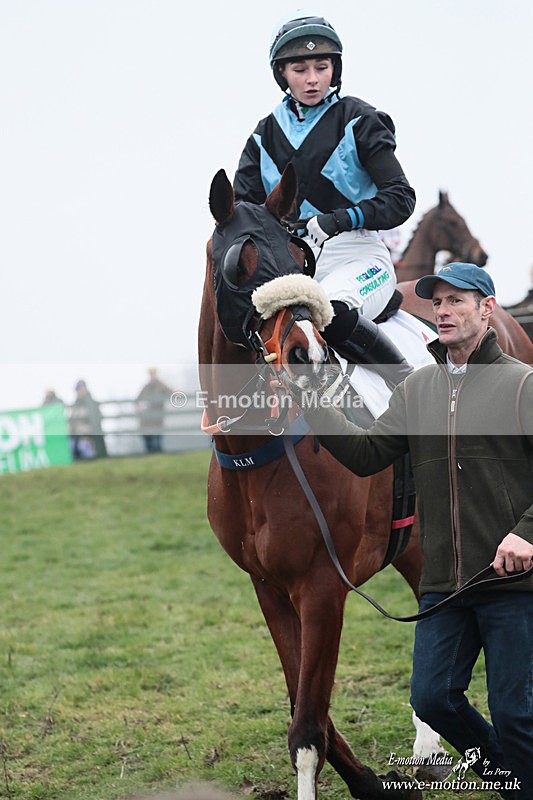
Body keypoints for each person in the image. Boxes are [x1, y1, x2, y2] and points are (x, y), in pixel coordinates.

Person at [290, 262, 533, 797]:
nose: (443, 311)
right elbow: (366, 453)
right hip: (444, 587)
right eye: (437, 302)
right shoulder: (418, 388)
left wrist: (528, 533)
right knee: (432, 699)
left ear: (487, 309)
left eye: (456, 301)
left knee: (516, 713)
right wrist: (311, 399)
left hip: (511, 583)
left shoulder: (522, 384)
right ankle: (515, 779)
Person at [233, 11, 416, 387]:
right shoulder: (263, 136)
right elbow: (241, 214)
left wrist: (338, 220)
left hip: (359, 255)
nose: (313, 79)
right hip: (292, 266)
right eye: (300, 69)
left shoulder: (360, 120)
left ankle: (411, 391)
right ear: (282, 73)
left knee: (329, 309)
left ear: (336, 69)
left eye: (322, 66)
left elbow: (401, 199)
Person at [135, 367, 172, 454]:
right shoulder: (146, 387)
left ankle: (158, 451)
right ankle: (149, 452)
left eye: (153, 373)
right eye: (151, 373)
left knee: (157, 435)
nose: (152, 375)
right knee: (147, 434)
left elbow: (171, 393)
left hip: (158, 416)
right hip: (147, 417)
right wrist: (139, 406)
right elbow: (138, 399)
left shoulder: (161, 385)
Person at [69, 379, 108, 460]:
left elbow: (96, 418)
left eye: (80, 389)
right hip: (78, 434)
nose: (79, 391)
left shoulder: (91, 402)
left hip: (91, 433)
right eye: (78, 389)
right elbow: (72, 419)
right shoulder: (75, 405)